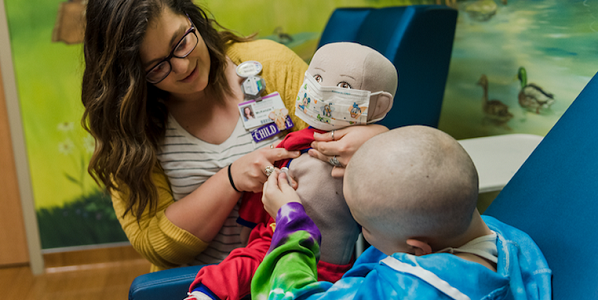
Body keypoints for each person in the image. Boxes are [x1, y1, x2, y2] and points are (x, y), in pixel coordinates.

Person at [80, 0, 387, 273]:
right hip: (199, 285)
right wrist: (231, 179)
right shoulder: (125, 128)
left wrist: (374, 140)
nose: (184, 65)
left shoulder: (272, 66)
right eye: (159, 66)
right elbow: (156, 242)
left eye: (181, 42)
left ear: (191, 18)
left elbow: (350, 134)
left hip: (299, 276)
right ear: (132, 77)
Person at [186, 43, 396, 300]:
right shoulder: (293, 143)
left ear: (379, 104)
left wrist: (380, 142)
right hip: (270, 237)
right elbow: (269, 177)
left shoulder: (372, 161)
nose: (320, 89)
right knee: (238, 265)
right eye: (316, 78)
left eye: (343, 86)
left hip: (327, 262)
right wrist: (250, 222)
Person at [253, 125, 552, 300]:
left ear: (417, 249)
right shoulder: (513, 243)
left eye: (364, 228)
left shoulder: (404, 289)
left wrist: (290, 221)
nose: (364, 234)